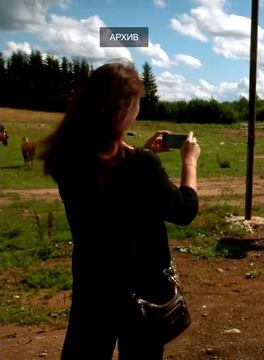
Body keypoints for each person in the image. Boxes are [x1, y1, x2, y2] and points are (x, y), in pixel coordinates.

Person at [38, 60, 200, 359]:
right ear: (125, 109)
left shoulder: (66, 156)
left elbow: (114, 183)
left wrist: (143, 152)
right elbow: (183, 210)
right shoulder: (141, 167)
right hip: (141, 291)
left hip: (93, 285)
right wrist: (189, 161)